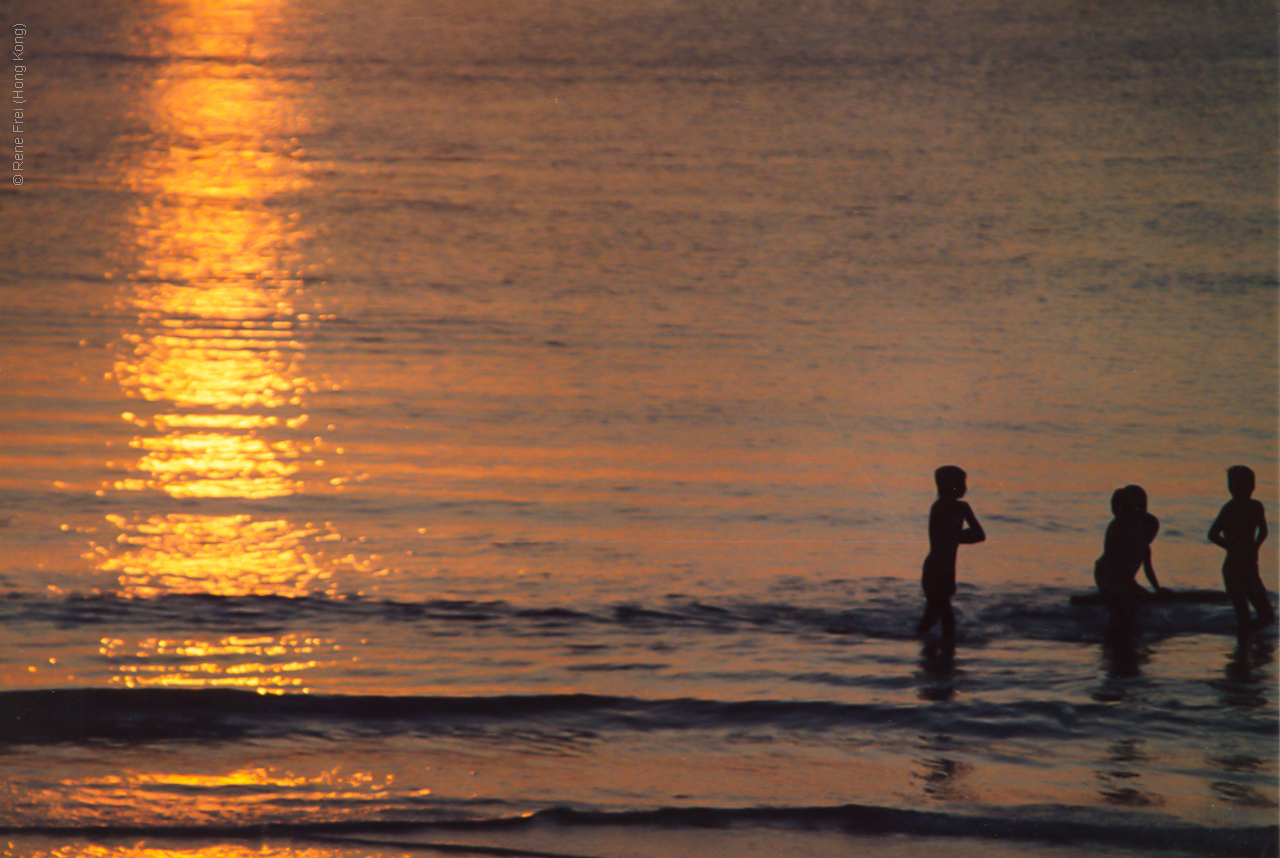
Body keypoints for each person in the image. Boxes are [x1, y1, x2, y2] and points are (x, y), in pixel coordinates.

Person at [917, 465, 985, 641]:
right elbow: (941, 539)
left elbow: (980, 535)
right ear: (948, 485)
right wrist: (958, 537)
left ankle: (927, 653)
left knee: (932, 617)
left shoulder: (963, 508)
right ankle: (943, 661)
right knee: (947, 619)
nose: (965, 488)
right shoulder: (938, 508)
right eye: (961, 483)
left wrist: (956, 537)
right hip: (934, 570)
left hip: (947, 569)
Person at [1208, 465, 1275, 638]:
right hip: (1233, 568)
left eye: (1243, 485)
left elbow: (1264, 530)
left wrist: (1256, 546)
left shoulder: (1256, 507)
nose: (1237, 490)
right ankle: (1242, 648)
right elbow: (1213, 534)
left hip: (1250, 567)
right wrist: (1231, 547)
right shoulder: (1229, 509)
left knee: (1267, 615)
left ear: (1252, 486)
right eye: (1233, 485)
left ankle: (1243, 638)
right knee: (1243, 614)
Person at [1093, 485, 1161, 630]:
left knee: (1144, 599)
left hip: (1125, 579)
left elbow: (1149, 570)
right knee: (1125, 601)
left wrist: (1158, 590)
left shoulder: (1142, 543)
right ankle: (1116, 626)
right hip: (1107, 576)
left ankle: (1129, 624)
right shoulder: (1118, 527)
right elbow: (1111, 558)